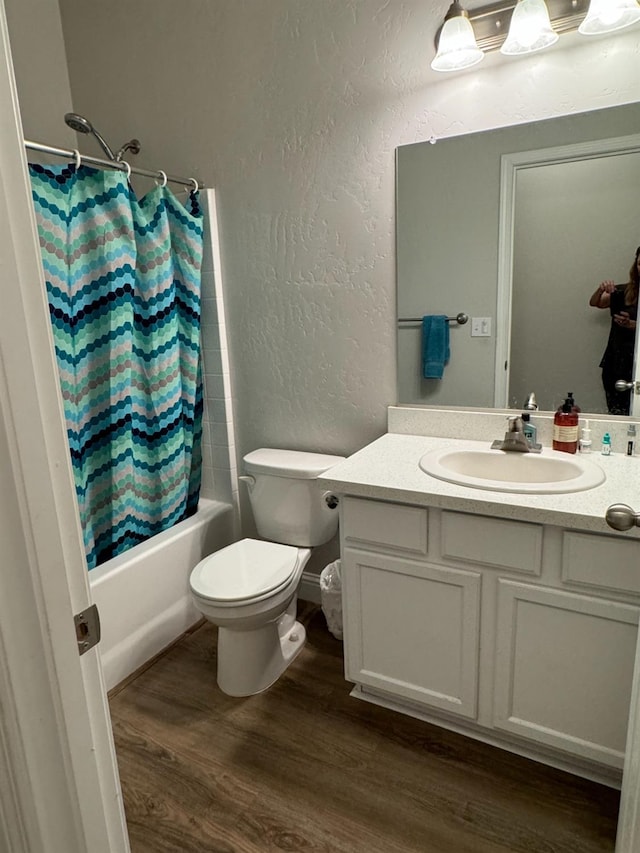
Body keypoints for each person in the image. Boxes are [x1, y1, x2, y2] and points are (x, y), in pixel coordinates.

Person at [589, 246, 640, 415]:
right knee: (617, 414)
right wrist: (601, 289)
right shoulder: (625, 291)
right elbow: (595, 302)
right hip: (616, 362)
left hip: (636, 363)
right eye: (639, 264)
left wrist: (633, 325)